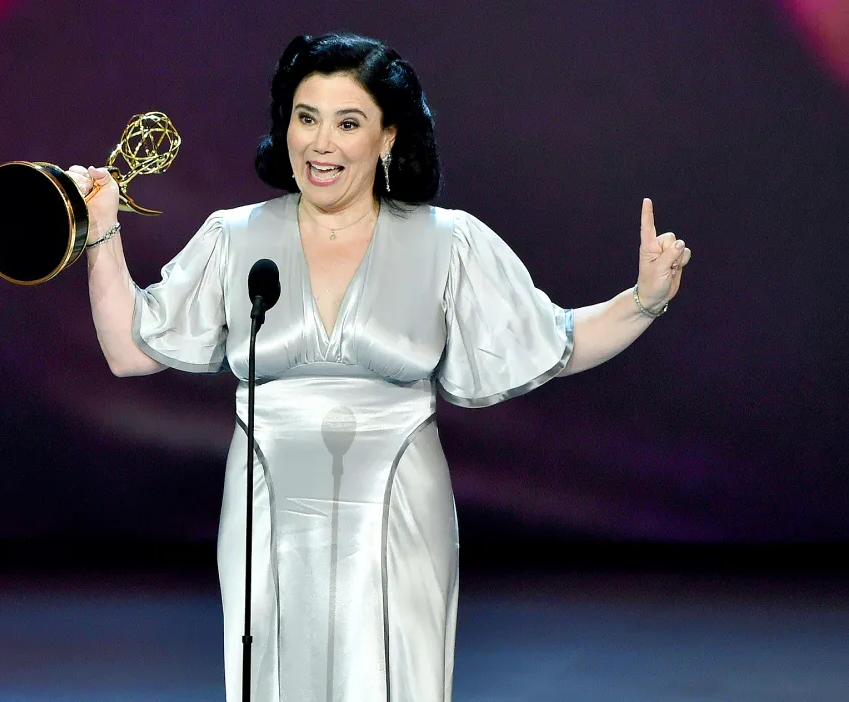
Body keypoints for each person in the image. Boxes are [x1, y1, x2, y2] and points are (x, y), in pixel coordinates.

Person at [68, 32, 691, 702]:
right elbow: (131, 349)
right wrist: (101, 226)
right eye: (306, 119)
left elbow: (556, 340)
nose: (321, 144)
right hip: (266, 502)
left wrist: (642, 302)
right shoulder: (233, 237)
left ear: (388, 138)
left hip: (398, 501)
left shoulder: (447, 242)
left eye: (348, 123)